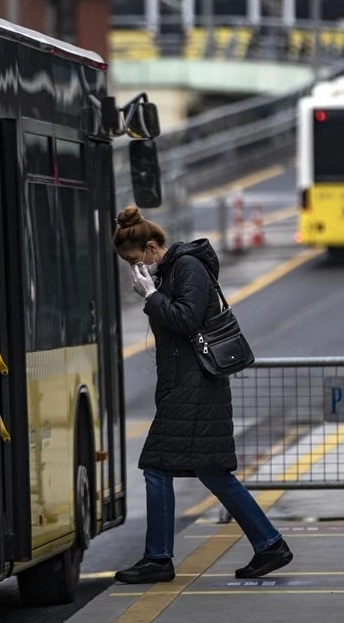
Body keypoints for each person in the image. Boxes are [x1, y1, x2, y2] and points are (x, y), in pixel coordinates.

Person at [111, 205, 293, 584]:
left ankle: (159, 558)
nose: (136, 269)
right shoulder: (173, 271)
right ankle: (269, 544)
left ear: (150, 247)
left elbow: (185, 320)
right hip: (189, 386)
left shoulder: (188, 267)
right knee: (213, 471)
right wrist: (155, 293)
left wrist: (150, 295)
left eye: (135, 261)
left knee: (157, 466)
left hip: (196, 386)